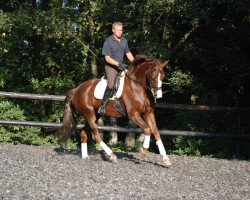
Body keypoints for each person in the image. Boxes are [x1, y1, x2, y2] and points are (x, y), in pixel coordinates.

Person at [98, 22, 134, 115]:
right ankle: (103, 105)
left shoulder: (124, 40)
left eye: (121, 30)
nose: (120, 32)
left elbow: (128, 53)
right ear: (113, 30)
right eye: (118, 30)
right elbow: (107, 58)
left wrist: (134, 63)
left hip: (121, 66)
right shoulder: (108, 41)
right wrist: (118, 64)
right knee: (111, 85)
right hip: (111, 67)